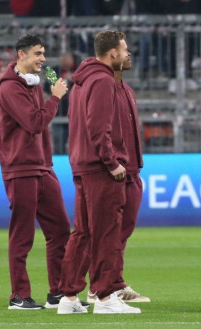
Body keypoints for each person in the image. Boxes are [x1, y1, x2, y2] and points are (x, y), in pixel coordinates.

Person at [56, 30, 141, 314]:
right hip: (100, 168)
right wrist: (112, 162)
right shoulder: (104, 81)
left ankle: (68, 297)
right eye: (125, 49)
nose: (128, 53)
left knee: (83, 233)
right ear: (112, 53)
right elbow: (98, 126)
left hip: (82, 164)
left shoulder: (81, 82)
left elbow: (79, 124)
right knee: (106, 232)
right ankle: (105, 297)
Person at [0, 34, 72, 310]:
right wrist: (56, 99)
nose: (43, 58)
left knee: (61, 230)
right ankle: (18, 295)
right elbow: (35, 122)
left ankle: (59, 293)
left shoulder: (33, 84)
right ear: (21, 55)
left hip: (41, 167)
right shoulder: (10, 89)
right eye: (38, 53)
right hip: (21, 169)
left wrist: (47, 162)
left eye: (43, 53)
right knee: (22, 234)